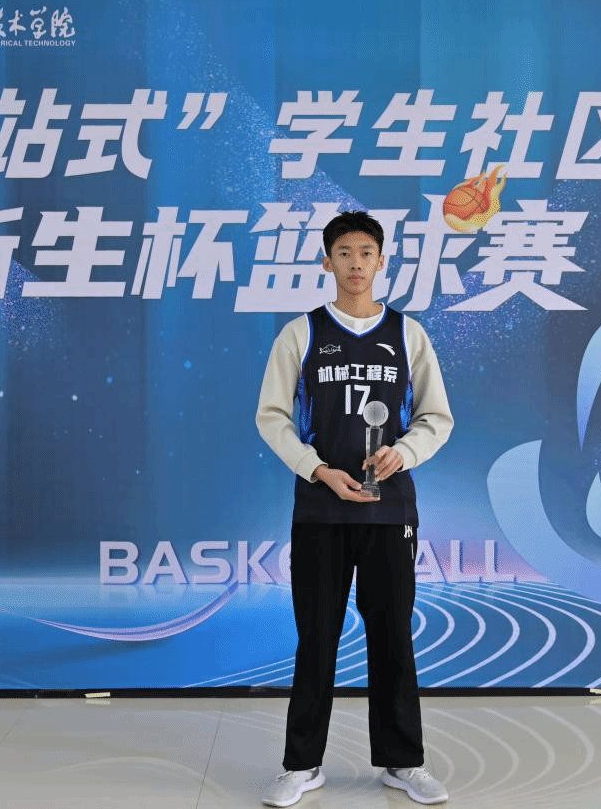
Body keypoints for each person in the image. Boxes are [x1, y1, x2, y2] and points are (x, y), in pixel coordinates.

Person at [256, 210, 454, 806]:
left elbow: (436, 417)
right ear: (327, 262)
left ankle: (403, 762)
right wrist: (316, 468)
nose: (356, 263)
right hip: (320, 512)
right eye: (344, 253)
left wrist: (404, 452)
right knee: (315, 638)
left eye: (366, 252)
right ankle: (301, 765)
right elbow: (272, 417)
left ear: (381, 261)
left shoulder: (408, 334)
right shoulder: (301, 334)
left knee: (392, 636)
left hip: (390, 514)